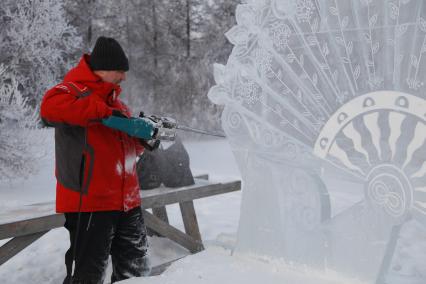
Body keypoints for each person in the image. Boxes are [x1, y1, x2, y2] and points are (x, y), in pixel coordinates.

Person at [40, 36, 151, 283]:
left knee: (137, 272)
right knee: (89, 275)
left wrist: (143, 139)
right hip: (90, 202)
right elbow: (49, 109)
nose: (124, 77)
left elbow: (127, 151)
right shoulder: (69, 91)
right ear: (102, 69)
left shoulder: (119, 105)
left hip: (127, 201)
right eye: (120, 71)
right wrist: (103, 112)